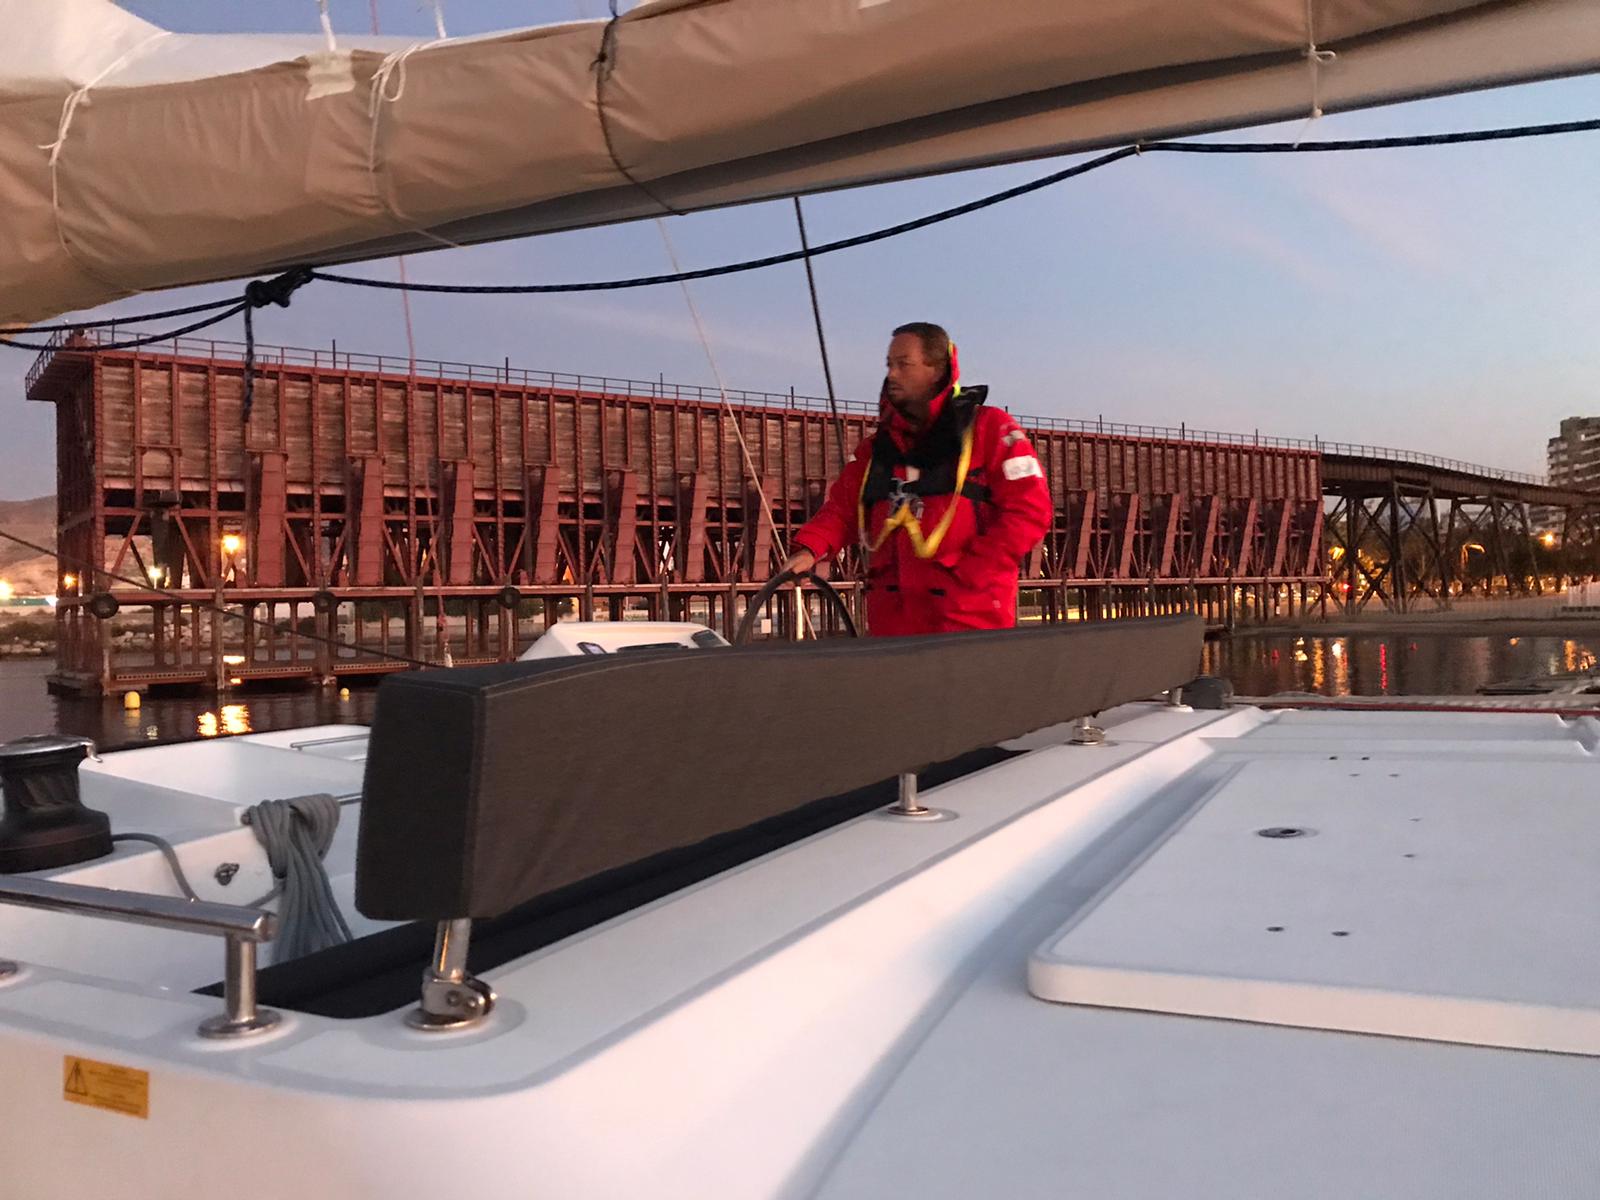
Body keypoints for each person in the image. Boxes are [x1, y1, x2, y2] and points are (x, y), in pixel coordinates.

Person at [784, 322, 1051, 636]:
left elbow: (1029, 511)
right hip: (892, 632)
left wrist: (972, 573)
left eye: (903, 364)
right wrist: (809, 549)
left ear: (937, 370)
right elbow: (842, 510)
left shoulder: (990, 429)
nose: (892, 374)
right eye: (889, 365)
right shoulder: (876, 450)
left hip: (968, 626)